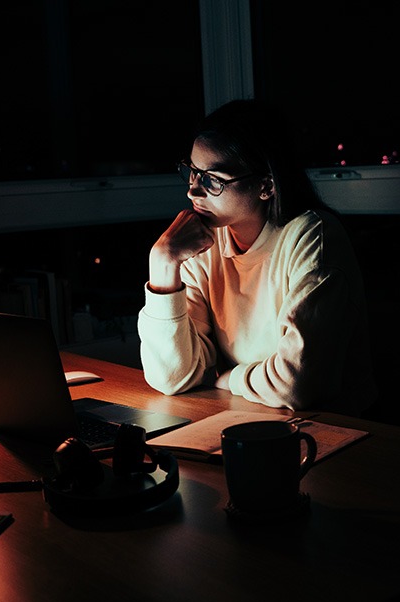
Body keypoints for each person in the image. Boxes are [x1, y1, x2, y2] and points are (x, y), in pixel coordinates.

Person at [137, 99, 377, 416]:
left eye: (213, 179)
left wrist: (228, 379)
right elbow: (172, 377)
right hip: (251, 420)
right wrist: (163, 265)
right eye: (193, 172)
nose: (193, 192)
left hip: (336, 432)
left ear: (266, 185)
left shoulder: (312, 237)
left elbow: (296, 384)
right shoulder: (203, 240)